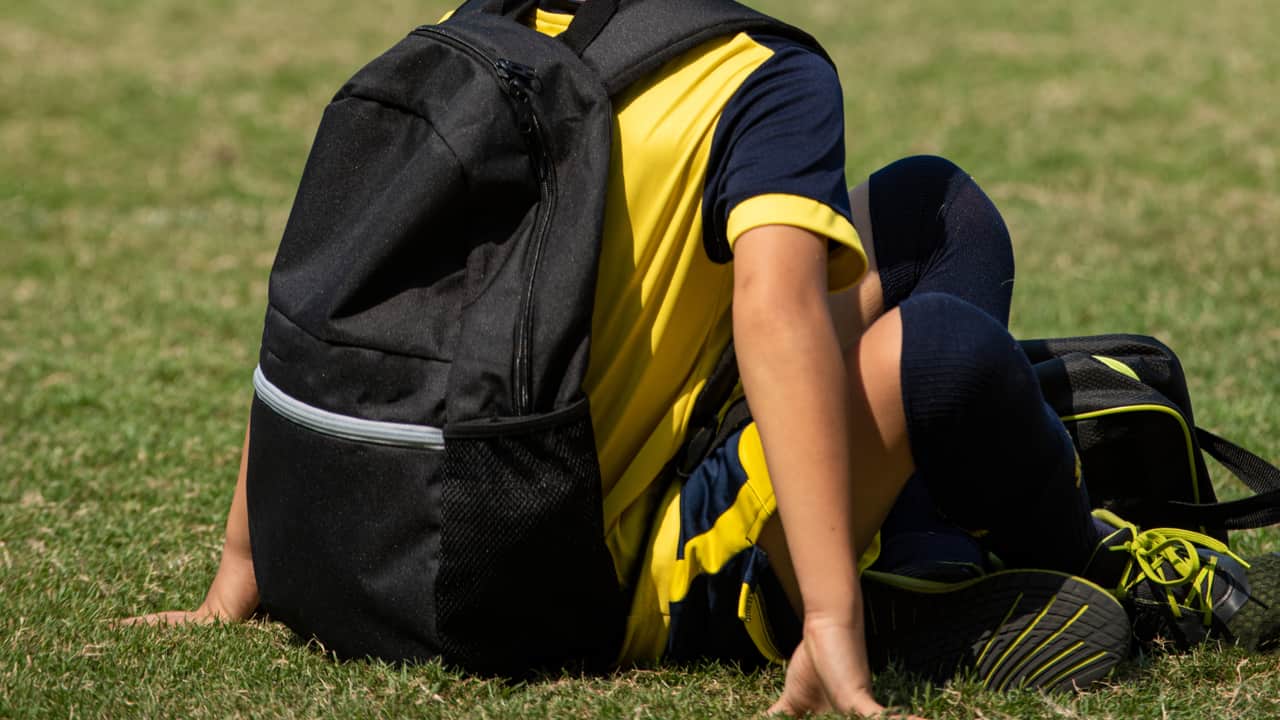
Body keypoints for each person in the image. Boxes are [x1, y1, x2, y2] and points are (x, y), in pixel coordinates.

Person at [126, 2, 1278, 717]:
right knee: (944, 355)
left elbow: (327, 300)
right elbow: (772, 313)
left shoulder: (488, 28)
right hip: (611, 571)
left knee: (931, 208)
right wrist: (828, 624)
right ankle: (1038, 566)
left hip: (423, 522)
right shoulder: (759, 75)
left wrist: (249, 561)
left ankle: (918, 529)